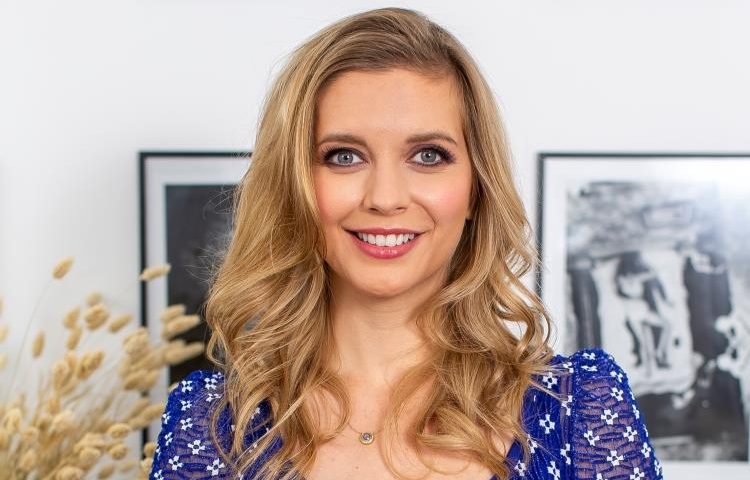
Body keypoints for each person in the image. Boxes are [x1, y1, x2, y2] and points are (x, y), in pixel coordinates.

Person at [149, 7, 662, 480]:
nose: (386, 198)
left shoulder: (582, 412)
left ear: (476, 188)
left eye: (429, 156)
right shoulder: (210, 427)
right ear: (294, 185)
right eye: (344, 156)